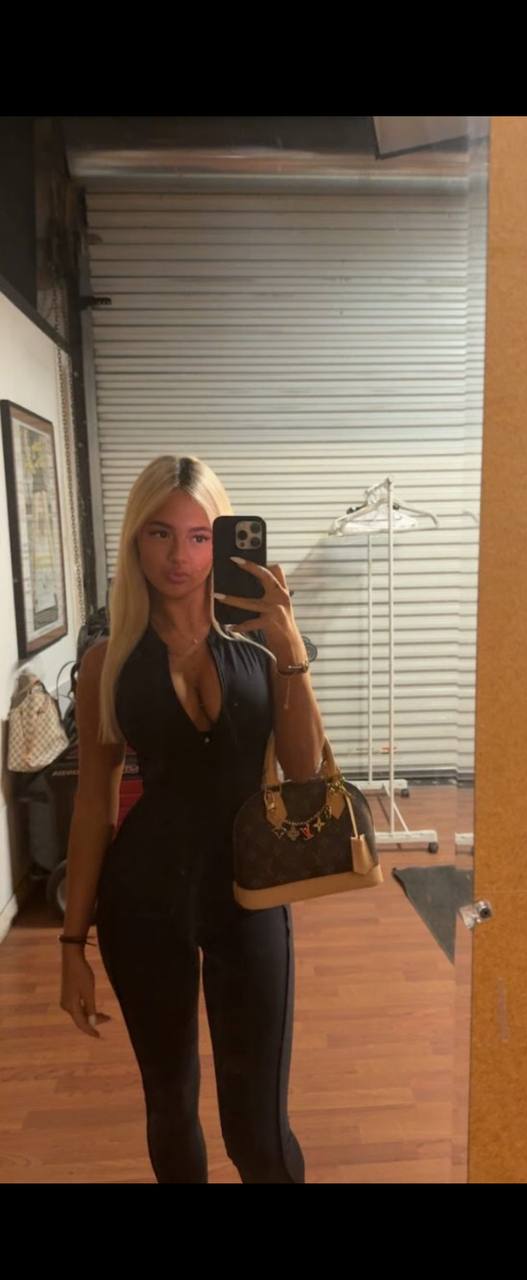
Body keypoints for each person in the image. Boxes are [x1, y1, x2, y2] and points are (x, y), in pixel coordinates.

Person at [59, 454, 324, 1183]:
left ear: (223, 542)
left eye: (200, 536)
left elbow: (304, 771)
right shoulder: (107, 662)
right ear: (134, 542)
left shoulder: (263, 646)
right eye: (160, 534)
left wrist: (290, 646)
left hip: (252, 890)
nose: (180, 557)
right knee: (170, 1105)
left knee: (260, 1130)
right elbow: (93, 803)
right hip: (143, 896)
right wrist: (72, 942)